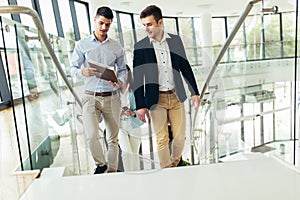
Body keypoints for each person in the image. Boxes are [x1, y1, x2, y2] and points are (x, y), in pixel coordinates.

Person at [132, 5, 200, 168]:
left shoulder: (175, 41)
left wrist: (194, 92)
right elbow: (137, 78)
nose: (146, 28)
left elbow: (185, 66)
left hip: (176, 97)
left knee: (180, 137)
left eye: (149, 24)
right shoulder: (140, 46)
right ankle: (166, 171)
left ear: (160, 22)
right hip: (156, 99)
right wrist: (140, 105)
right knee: (161, 138)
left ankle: (174, 165)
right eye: (144, 25)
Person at [70, 6, 126, 174]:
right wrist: (82, 72)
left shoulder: (116, 47)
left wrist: (120, 81)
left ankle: (112, 172)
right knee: (92, 135)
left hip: (112, 97)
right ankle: (101, 165)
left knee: (112, 139)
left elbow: (123, 70)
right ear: (94, 20)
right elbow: (72, 68)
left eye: (107, 25)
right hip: (90, 97)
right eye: (101, 23)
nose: (103, 28)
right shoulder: (82, 45)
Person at [118, 65, 143, 171]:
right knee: (126, 152)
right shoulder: (113, 92)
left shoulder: (135, 91)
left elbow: (142, 109)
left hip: (134, 125)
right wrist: (116, 113)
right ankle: (129, 176)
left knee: (134, 154)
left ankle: (136, 177)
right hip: (120, 127)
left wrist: (132, 113)